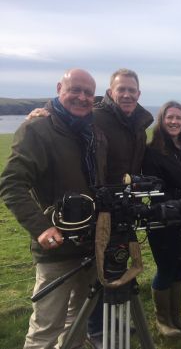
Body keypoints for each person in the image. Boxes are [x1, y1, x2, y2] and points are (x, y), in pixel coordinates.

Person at [27, 69, 154, 347]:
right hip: (75, 222)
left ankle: (95, 330)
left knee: (83, 303)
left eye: (132, 90)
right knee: (50, 322)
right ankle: (100, 332)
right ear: (110, 92)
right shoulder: (94, 115)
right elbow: (65, 114)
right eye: (121, 89)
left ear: (139, 93)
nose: (127, 94)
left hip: (111, 218)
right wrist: (43, 112)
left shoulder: (138, 124)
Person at [0, 69, 107, 349]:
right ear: (60, 88)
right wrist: (41, 228)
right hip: (56, 247)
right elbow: (11, 184)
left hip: (89, 243)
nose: (82, 97)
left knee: (77, 320)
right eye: (75, 90)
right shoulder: (37, 129)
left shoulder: (93, 132)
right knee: (46, 329)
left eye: (88, 93)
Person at [142, 101, 181, 337]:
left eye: (179, 118)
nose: (174, 122)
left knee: (180, 267)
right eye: (170, 117)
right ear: (162, 120)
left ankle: (177, 316)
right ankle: (163, 320)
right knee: (166, 267)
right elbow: (155, 191)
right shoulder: (152, 152)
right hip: (164, 221)